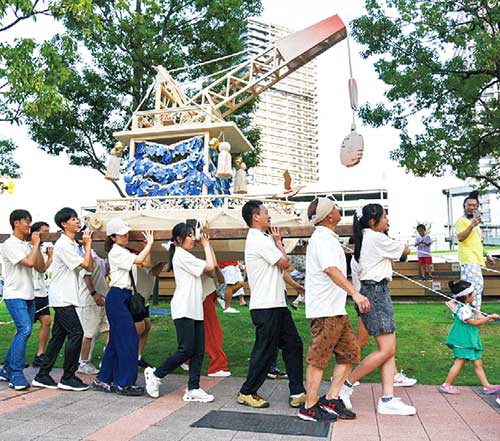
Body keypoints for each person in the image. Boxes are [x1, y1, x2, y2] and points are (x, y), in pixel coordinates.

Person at [340, 204, 416, 416]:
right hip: (376, 293)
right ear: (373, 222)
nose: (387, 220)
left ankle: (388, 398)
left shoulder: (368, 237)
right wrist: (400, 245)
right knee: (386, 349)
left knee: (389, 348)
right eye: (384, 217)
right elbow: (405, 250)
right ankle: (345, 387)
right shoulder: (375, 237)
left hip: (376, 291)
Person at [298, 198, 370, 422]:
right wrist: (355, 293)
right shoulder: (322, 239)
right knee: (319, 358)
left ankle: (331, 399)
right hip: (324, 311)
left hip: (335, 309)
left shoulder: (328, 238)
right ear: (329, 215)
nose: (339, 211)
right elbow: (331, 270)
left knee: (349, 353)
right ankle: (309, 407)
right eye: (336, 208)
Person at [237, 200, 306, 409]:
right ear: (255, 217)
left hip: (276, 304)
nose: (269, 216)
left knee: (293, 344)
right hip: (266, 306)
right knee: (265, 351)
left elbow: (281, 270)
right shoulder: (258, 239)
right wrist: (278, 242)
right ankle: (247, 392)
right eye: (266, 213)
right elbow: (285, 263)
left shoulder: (262, 238)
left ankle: (297, 391)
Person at [144, 223, 215, 402]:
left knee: (198, 351)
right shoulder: (182, 255)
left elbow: (211, 267)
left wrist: (208, 246)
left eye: (193, 235)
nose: (193, 239)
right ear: (178, 239)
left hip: (194, 308)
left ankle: (193, 388)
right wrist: (206, 246)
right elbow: (210, 267)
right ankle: (156, 375)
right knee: (186, 349)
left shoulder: (185, 254)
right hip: (184, 308)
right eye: (189, 235)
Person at [32, 207, 93, 391]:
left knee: (58, 337)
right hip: (62, 298)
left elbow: (87, 269)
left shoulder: (72, 244)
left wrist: (84, 246)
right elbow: (86, 264)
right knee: (77, 333)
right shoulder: (64, 245)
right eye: (73, 219)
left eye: (77, 218)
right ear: (64, 224)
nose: (77, 221)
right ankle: (68, 377)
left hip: (65, 297)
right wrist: (88, 245)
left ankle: (42, 375)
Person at [91, 218, 154, 396]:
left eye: (126, 233)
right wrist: (149, 244)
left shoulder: (122, 251)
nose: (126, 235)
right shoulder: (117, 252)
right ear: (112, 237)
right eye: (122, 234)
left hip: (123, 296)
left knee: (117, 341)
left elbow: (146, 263)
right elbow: (140, 260)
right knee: (129, 339)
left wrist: (146, 247)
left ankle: (103, 379)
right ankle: (123, 383)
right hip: (118, 296)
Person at [351, 250, 417, 388]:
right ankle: (345, 377)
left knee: (388, 343)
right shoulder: (363, 257)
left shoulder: (366, 256)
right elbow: (403, 252)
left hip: (368, 300)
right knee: (363, 341)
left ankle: (394, 375)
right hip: (367, 302)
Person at [0, 209, 44, 390]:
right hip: (14, 295)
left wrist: (37, 246)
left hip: (29, 295)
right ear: (16, 223)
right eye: (26, 221)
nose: (29, 224)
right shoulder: (8, 244)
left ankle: (6, 369)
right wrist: (34, 245)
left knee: (23, 332)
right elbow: (29, 263)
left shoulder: (28, 245)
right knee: (24, 329)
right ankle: (16, 374)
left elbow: (40, 267)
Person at [439, 280, 500, 395]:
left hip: (469, 340)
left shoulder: (465, 307)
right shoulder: (463, 309)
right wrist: (488, 318)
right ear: (467, 296)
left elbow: (478, 317)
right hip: (463, 341)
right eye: (473, 294)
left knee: (478, 363)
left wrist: (488, 317)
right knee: (460, 362)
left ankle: (487, 386)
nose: (475, 296)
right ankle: (446, 384)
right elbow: (474, 323)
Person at [455, 191, 495, 311]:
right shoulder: (461, 221)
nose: (471, 207)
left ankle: (466, 311)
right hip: (468, 258)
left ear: (477, 208)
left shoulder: (476, 225)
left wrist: (487, 254)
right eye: (469, 205)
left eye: (474, 205)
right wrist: (471, 225)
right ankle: (474, 312)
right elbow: (460, 237)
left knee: (469, 288)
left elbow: (477, 243)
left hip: (476, 259)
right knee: (476, 286)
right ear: (464, 206)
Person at [77, 244, 109, 375]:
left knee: (110, 329)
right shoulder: (85, 255)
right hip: (89, 301)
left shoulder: (100, 255)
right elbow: (86, 276)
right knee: (89, 334)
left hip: (102, 299)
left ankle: (107, 360)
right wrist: (94, 294)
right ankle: (83, 362)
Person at [30, 221, 53, 367]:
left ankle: (40, 354)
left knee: (46, 321)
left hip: (42, 292)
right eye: (44, 231)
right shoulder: (32, 248)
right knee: (25, 327)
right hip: (31, 292)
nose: (47, 234)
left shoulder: (42, 248)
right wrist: (50, 257)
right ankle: (15, 354)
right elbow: (41, 268)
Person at [135, 259, 166, 368]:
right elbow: (154, 271)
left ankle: (137, 357)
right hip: (136, 298)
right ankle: (116, 356)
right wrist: (163, 261)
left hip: (144, 298)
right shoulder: (142, 256)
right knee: (138, 328)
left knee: (147, 326)